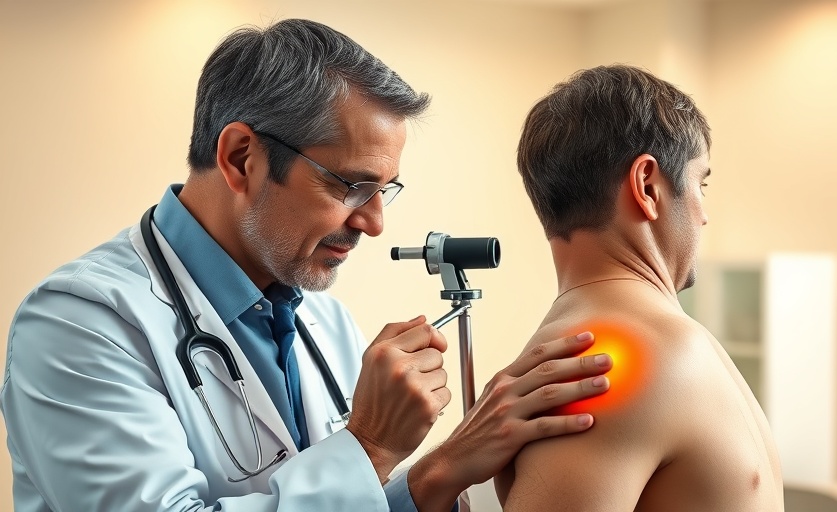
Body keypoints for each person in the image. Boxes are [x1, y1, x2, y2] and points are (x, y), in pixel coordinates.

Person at [0, 19, 613, 512]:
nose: (374, 222)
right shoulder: (79, 325)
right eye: (350, 186)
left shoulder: (323, 318)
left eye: (385, 191)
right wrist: (370, 445)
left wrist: (439, 471)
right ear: (242, 157)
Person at [494, 65, 784, 511]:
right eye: (700, 183)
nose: (704, 214)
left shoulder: (668, 340)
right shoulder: (618, 357)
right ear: (647, 186)